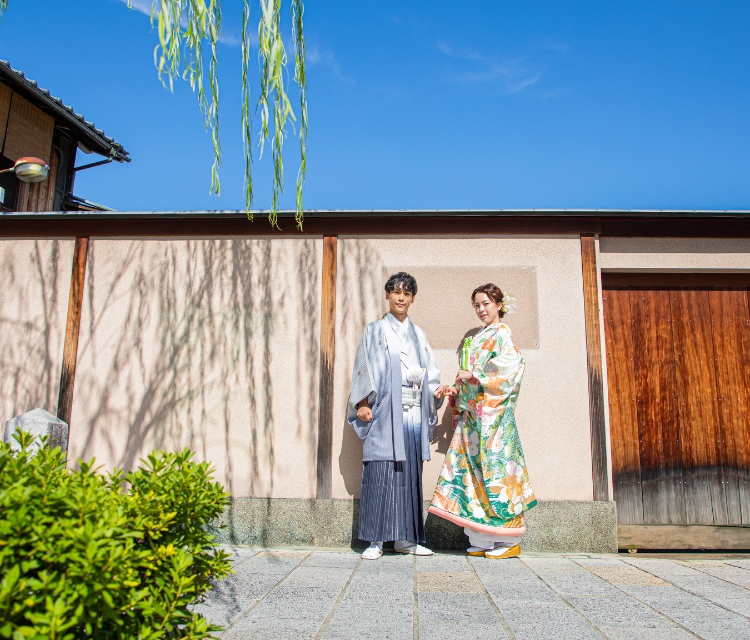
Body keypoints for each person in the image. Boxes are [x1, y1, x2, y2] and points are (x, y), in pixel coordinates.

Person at [428, 283, 537, 559]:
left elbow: (511, 367)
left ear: (498, 305)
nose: (481, 309)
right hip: (474, 416)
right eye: (477, 305)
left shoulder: (502, 335)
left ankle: (507, 540)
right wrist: (455, 391)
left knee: (496, 472)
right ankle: (482, 538)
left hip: (493, 417)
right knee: (472, 475)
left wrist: (474, 373)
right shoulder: (476, 338)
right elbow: (467, 377)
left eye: (486, 303)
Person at [348, 272, 452, 560]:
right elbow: (362, 366)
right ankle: (376, 540)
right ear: (387, 295)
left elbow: (429, 370)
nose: (401, 297)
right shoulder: (374, 330)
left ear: (413, 298)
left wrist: (435, 391)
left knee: (408, 474)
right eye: (396, 292)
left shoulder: (418, 334)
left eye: (406, 293)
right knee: (380, 469)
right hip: (383, 409)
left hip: (411, 410)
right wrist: (362, 403)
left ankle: (406, 538)